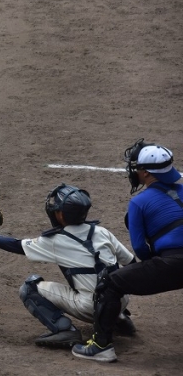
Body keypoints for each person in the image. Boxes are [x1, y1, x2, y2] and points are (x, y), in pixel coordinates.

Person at [0, 184, 136, 349]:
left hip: (91, 308)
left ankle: (65, 330)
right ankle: (118, 318)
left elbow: (15, 245)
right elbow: (131, 264)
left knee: (29, 288)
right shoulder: (102, 232)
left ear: (61, 215)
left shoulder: (55, 241)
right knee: (102, 274)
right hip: (120, 300)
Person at [73, 139, 183, 362]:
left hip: (174, 263)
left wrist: (158, 265)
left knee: (109, 284)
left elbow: (140, 249)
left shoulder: (139, 203)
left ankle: (101, 346)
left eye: (137, 168)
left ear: (146, 173)